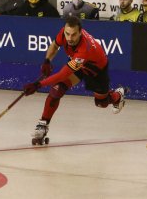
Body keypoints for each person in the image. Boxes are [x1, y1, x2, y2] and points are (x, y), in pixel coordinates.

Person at [23, 16, 125, 144]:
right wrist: (47, 60)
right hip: (78, 65)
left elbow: (62, 74)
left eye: (73, 35)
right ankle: (42, 124)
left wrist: (38, 85)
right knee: (57, 89)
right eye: (67, 34)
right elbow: (54, 46)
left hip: (96, 70)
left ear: (80, 32)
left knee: (101, 104)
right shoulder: (65, 32)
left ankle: (118, 95)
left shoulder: (85, 49)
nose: (70, 38)